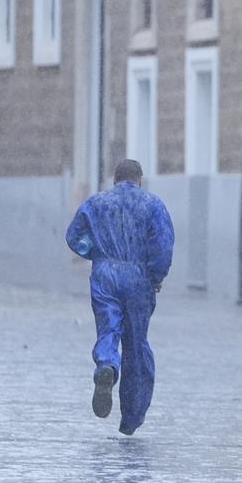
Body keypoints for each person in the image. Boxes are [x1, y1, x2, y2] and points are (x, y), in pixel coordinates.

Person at [65, 160, 174, 434]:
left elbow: (73, 236)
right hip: (138, 277)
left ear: (115, 179)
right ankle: (131, 418)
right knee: (137, 344)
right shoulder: (153, 204)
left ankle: (107, 364)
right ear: (140, 179)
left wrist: (97, 252)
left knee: (108, 328)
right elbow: (163, 246)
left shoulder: (97, 203)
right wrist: (156, 277)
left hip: (105, 274)